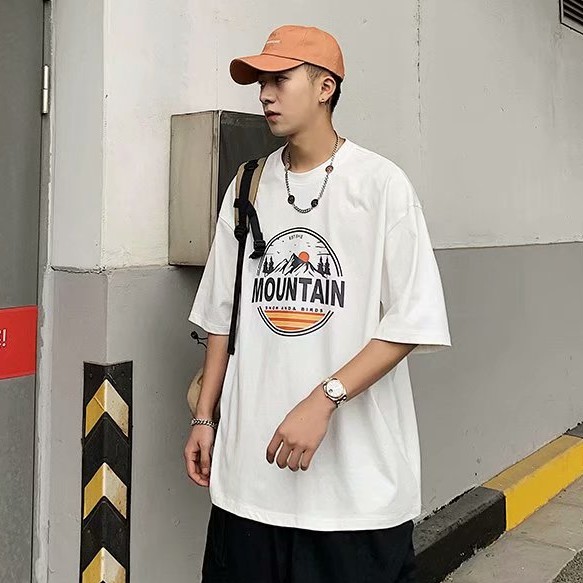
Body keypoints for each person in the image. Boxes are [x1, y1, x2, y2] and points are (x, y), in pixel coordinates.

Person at [183, 24, 452, 583]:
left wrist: (325, 398)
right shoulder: (248, 185)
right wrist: (205, 417)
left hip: (354, 493)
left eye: (279, 80)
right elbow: (221, 317)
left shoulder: (381, 185)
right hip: (250, 485)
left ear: (325, 87)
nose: (264, 94)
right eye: (260, 82)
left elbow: (413, 318)